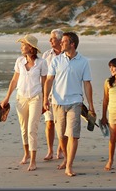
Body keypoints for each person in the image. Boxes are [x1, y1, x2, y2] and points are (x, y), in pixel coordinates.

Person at [43, 31, 95, 177]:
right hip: (58, 102)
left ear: (72, 44)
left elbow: (87, 84)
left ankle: (69, 166)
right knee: (62, 136)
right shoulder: (56, 60)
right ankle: (66, 158)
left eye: (64, 41)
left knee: (73, 135)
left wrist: (91, 105)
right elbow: (49, 80)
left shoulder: (83, 62)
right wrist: (45, 98)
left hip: (75, 102)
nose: (61, 43)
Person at [0, 34, 48, 171]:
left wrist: (45, 100)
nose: (21, 47)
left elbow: (44, 83)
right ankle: (26, 153)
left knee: (32, 128)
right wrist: (7, 97)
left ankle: (33, 160)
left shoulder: (42, 63)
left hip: (36, 98)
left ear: (31, 47)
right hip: (21, 98)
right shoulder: (19, 61)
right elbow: (14, 81)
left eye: (24, 44)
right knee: (24, 128)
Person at [42, 29, 64, 161]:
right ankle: (50, 150)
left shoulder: (67, 55)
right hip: (48, 95)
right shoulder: (46, 55)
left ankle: (60, 149)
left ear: (60, 40)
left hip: (63, 95)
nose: (50, 41)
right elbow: (43, 77)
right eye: (50, 38)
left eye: (53, 38)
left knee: (61, 124)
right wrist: (43, 94)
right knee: (49, 123)